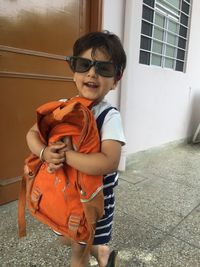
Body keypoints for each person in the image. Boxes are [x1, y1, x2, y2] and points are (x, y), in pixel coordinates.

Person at [26, 30, 126, 267]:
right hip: (64, 193)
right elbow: (31, 134)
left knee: (77, 253)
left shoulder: (108, 117)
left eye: (104, 68)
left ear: (116, 80)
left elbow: (109, 161)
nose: (92, 73)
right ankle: (100, 251)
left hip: (92, 198)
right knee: (69, 238)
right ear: (74, 72)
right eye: (84, 65)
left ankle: (95, 252)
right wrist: (43, 152)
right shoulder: (62, 107)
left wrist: (67, 155)